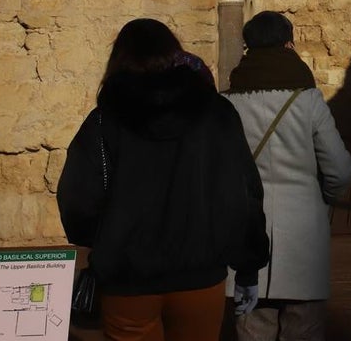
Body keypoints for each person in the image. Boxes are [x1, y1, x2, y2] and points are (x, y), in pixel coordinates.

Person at [58, 18, 269, 341]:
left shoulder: (105, 120)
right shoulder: (217, 113)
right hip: (201, 271)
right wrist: (248, 263)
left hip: (128, 277)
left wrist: (101, 242)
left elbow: (79, 197)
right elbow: (242, 192)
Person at [225, 11, 351, 341]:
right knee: (305, 330)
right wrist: (321, 199)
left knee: (251, 329)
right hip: (303, 233)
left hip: (243, 231)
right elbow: (339, 169)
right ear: (289, 44)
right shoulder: (308, 100)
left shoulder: (227, 103)